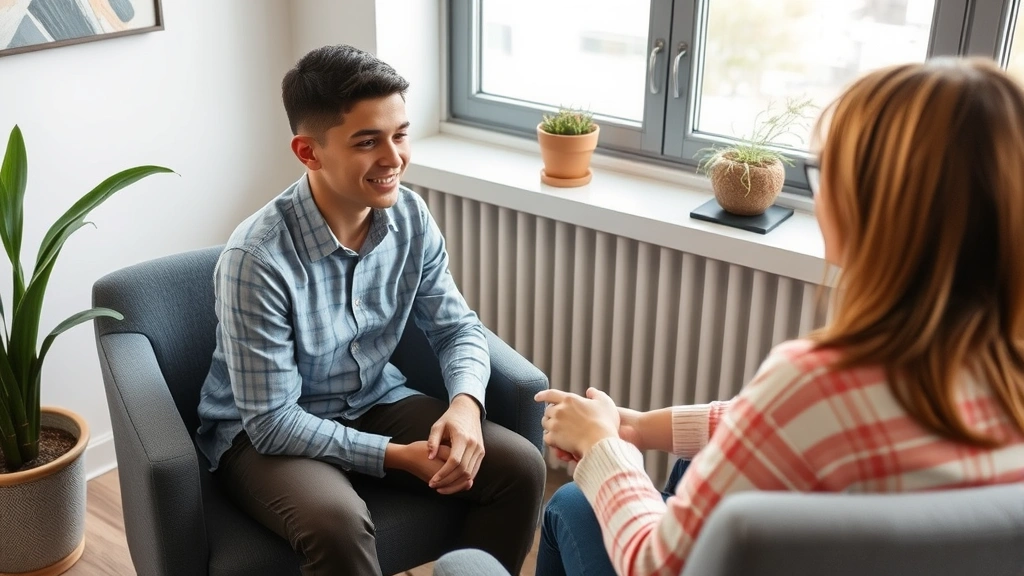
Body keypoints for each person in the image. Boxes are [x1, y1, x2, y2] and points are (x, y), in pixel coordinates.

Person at [535, 57, 1024, 576]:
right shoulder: (997, 367)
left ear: (877, 204)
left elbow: (657, 566)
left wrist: (602, 448)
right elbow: (767, 422)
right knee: (688, 463)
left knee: (570, 505)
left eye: (824, 171)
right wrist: (634, 428)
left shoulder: (819, 379)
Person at [195, 44, 545, 576]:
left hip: (373, 398)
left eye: (400, 134)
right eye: (367, 142)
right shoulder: (256, 259)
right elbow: (270, 422)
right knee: (336, 522)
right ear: (309, 152)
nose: (394, 158)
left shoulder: (410, 216)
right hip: (263, 436)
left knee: (518, 467)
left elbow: (456, 328)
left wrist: (466, 405)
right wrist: (391, 454)